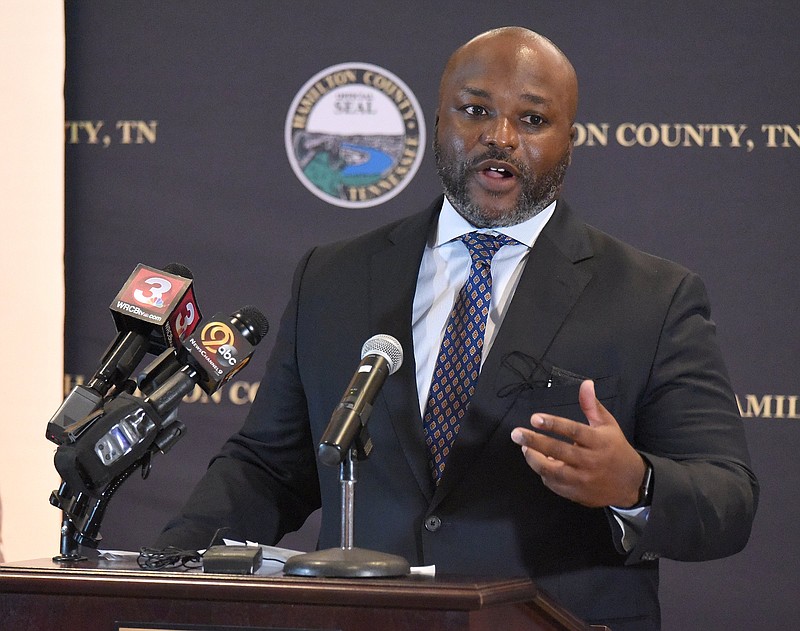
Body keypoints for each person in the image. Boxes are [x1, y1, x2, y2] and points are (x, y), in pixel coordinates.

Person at [156, 27, 758, 629]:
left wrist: (636, 484)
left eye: (532, 120)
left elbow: (727, 499)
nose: (498, 138)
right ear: (437, 121)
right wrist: (167, 568)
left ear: (569, 142)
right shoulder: (333, 277)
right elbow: (270, 467)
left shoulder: (652, 297)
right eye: (475, 111)